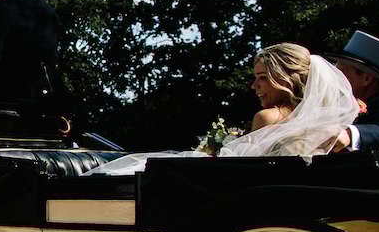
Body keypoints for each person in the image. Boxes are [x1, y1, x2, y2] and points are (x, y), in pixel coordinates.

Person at [91, 43, 357, 175]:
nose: (254, 85)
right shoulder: (320, 122)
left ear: (286, 79)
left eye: (263, 77)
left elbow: (242, 174)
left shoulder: (268, 118)